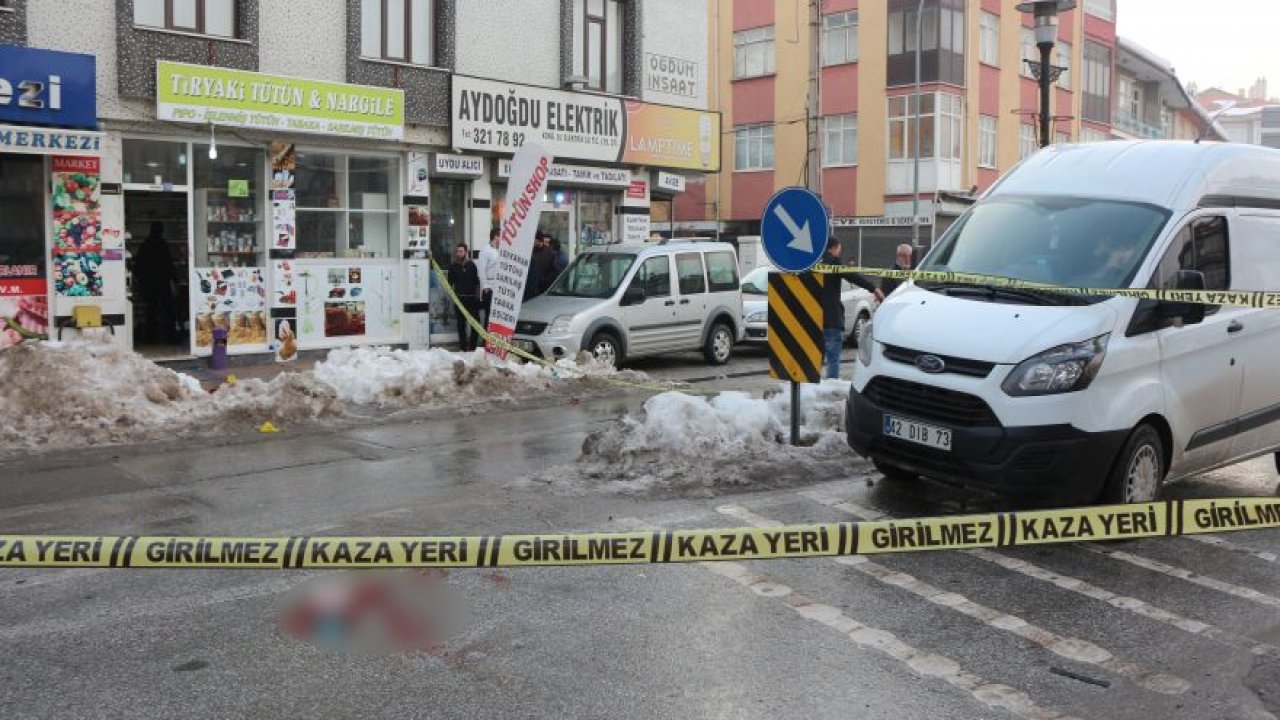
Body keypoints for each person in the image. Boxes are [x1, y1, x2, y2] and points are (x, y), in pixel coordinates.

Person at [821, 239, 882, 379]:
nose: (839, 252)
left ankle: (812, 387)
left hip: (812, 318)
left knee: (814, 358)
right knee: (833, 358)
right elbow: (853, 276)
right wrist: (873, 288)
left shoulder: (812, 264)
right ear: (834, 248)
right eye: (839, 249)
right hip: (831, 318)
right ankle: (831, 384)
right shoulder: (833, 262)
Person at [134, 221, 178, 344]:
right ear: (161, 231)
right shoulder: (163, 245)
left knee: (151, 311)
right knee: (168, 310)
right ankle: (170, 336)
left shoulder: (144, 245)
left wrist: (139, 281)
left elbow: (138, 266)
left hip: (148, 283)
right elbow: (169, 264)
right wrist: (175, 280)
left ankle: (150, 338)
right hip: (162, 282)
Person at [447, 243, 482, 351]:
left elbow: (477, 282)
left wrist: (477, 298)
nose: (458, 253)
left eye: (461, 251)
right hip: (459, 300)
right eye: (457, 251)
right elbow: (449, 284)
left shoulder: (472, 265)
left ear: (466, 252)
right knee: (461, 325)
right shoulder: (453, 267)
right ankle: (463, 347)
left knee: (475, 324)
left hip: (472, 299)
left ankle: (472, 347)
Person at [477, 227, 500, 327]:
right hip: (489, 288)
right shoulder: (485, 250)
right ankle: (486, 336)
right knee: (489, 315)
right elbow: (481, 270)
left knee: (497, 316)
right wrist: (485, 286)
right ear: (496, 236)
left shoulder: (499, 250)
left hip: (499, 287)